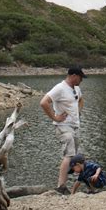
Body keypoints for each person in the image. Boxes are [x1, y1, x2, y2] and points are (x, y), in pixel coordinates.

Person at [40, 66, 86, 194]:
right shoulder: (60, 88)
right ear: (74, 76)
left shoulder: (76, 88)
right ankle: (61, 186)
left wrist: (78, 111)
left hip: (74, 126)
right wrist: (55, 117)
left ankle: (70, 180)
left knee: (74, 156)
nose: (81, 80)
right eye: (80, 78)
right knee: (69, 155)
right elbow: (44, 102)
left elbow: (81, 99)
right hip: (63, 127)